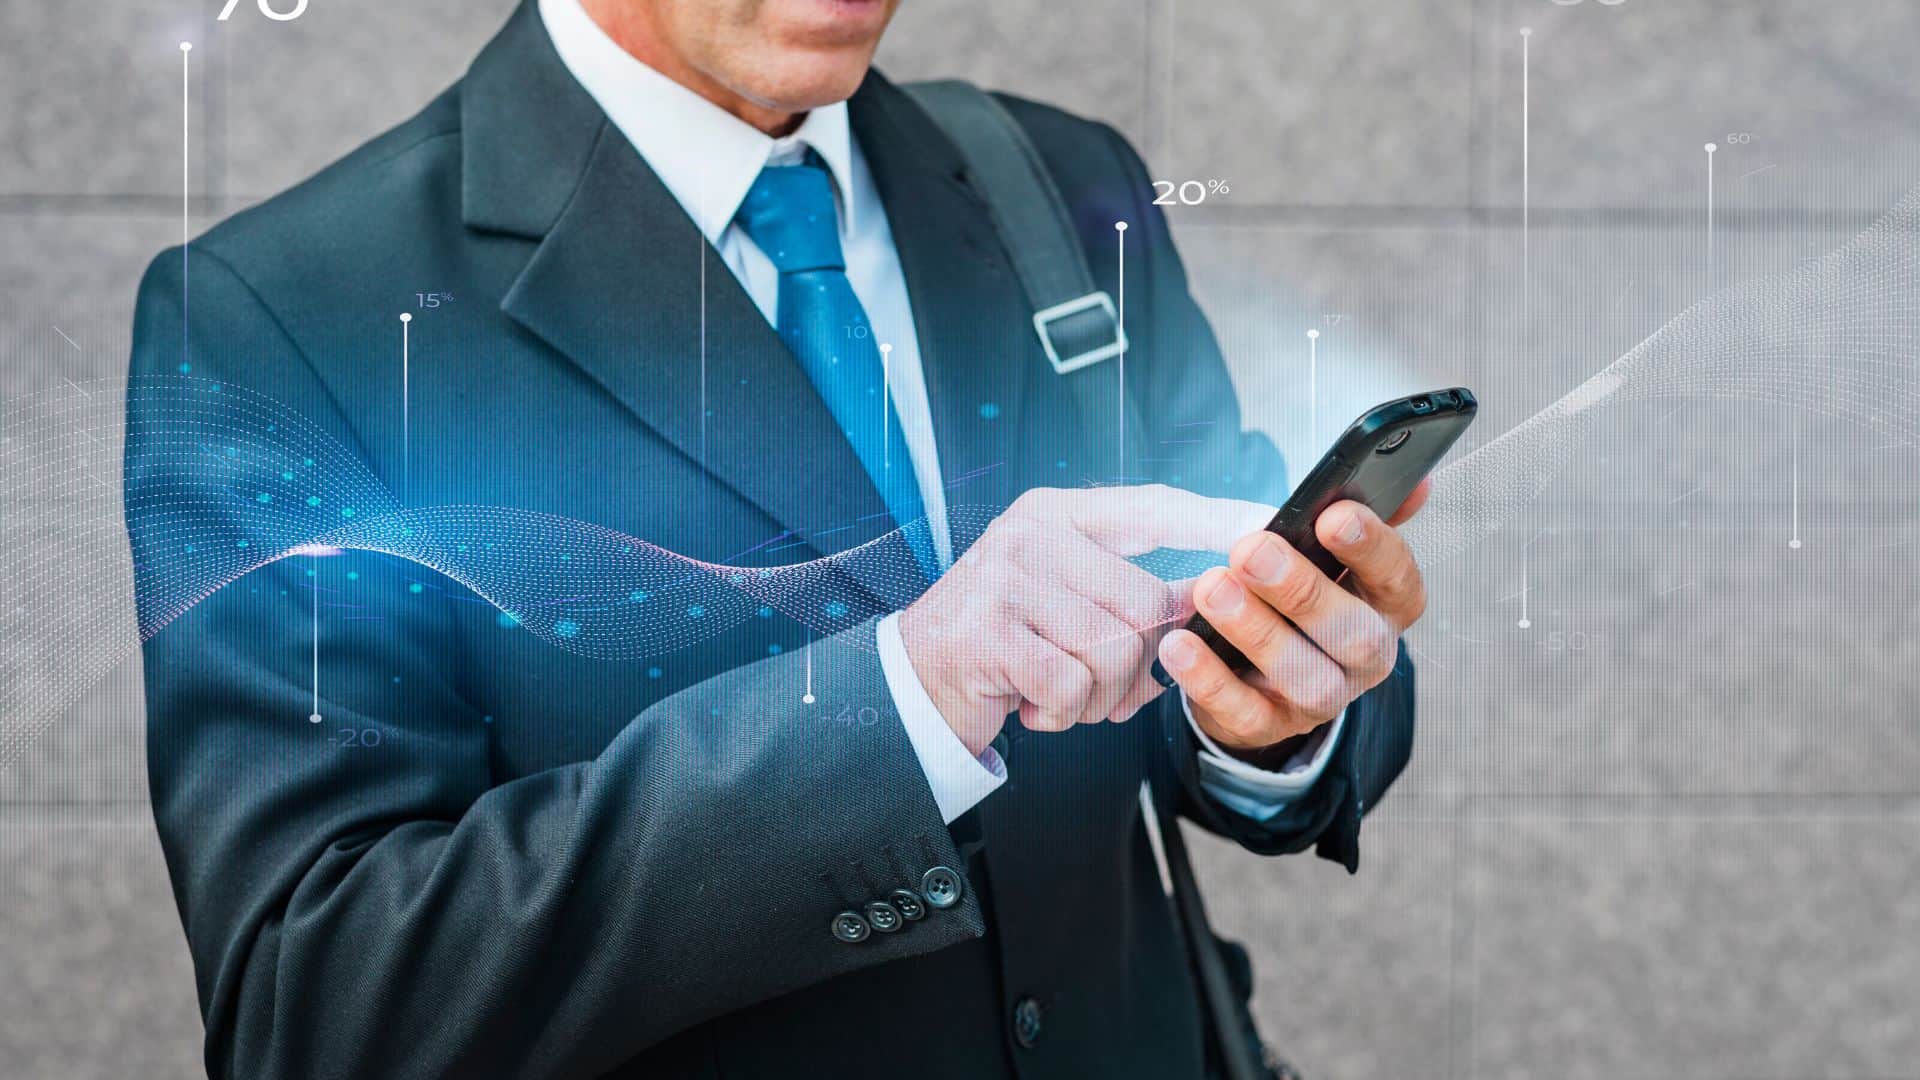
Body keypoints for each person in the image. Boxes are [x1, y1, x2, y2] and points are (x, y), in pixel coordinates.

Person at [125, 0, 1427, 1076]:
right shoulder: (282, 320)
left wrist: (1267, 706)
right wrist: (904, 698)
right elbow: (321, 1003)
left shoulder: (1065, 182)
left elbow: (1283, 646)